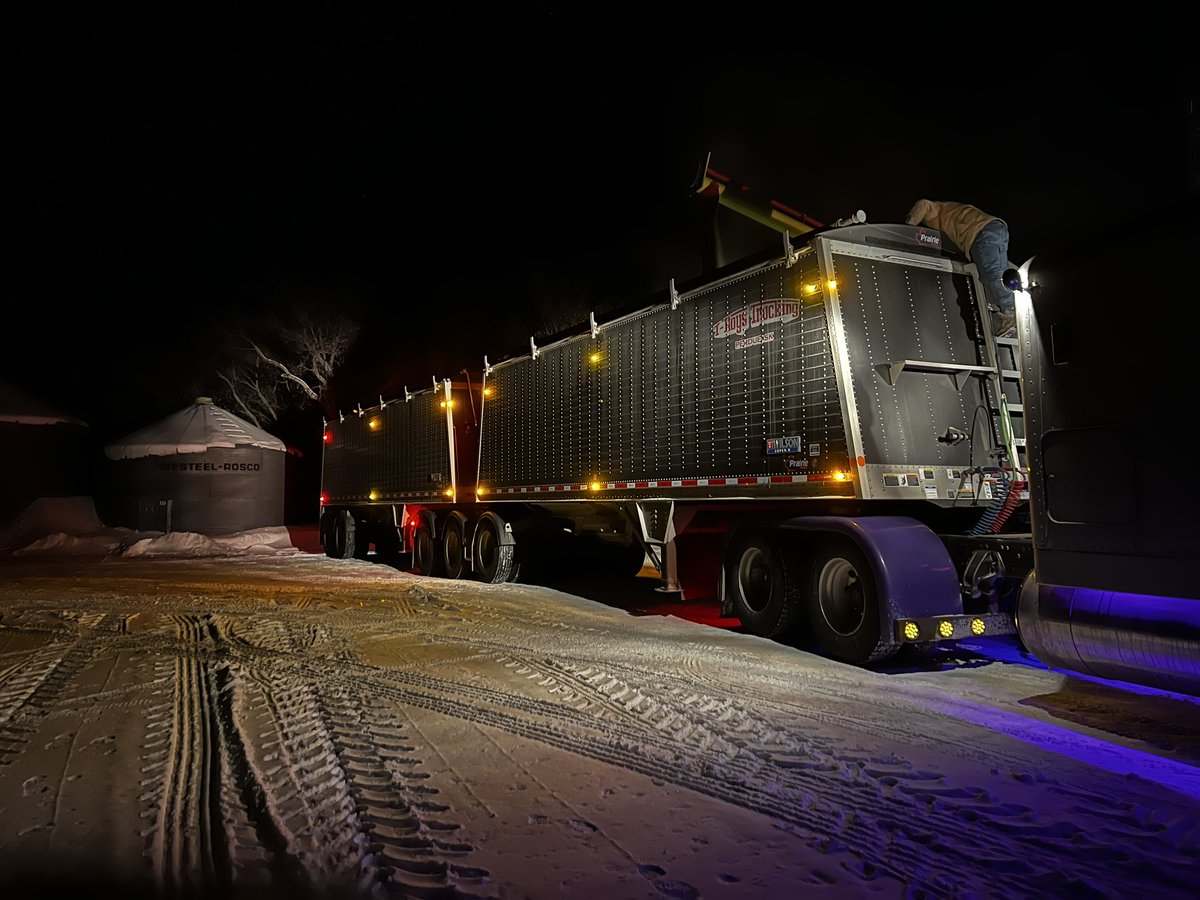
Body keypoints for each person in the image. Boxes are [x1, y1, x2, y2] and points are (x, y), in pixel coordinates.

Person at [906, 199, 1016, 336]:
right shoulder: (951, 212)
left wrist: (909, 229)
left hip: (981, 233)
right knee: (1003, 277)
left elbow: (923, 204)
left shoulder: (936, 209)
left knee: (990, 274)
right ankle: (1012, 311)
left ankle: (1011, 310)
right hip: (997, 228)